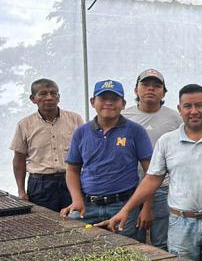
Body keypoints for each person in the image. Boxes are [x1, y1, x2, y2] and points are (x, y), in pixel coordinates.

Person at [103, 84, 202, 261]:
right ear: (179, 110)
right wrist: (126, 210)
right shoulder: (167, 141)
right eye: (187, 106)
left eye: (199, 105)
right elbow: (152, 179)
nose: (194, 111)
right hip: (180, 223)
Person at [60, 80, 152, 238]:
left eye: (114, 99)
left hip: (124, 205)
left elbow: (151, 173)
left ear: (123, 104)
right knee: (80, 248)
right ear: (92, 102)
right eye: (103, 98)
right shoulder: (81, 132)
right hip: (88, 205)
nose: (108, 103)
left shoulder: (136, 131)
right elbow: (72, 170)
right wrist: (76, 200)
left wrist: (147, 208)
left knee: (129, 252)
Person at [122, 69, 181, 250]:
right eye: (146, 85)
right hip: (131, 188)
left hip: (163, 188)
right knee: (131, 239)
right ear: (136, 90)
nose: (151, 89)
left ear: (163, 92)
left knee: (161, 241)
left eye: (156, 86)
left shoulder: (175, 119)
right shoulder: (124, 117)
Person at [10, 78, 83, 212]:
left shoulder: (75, 119)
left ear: (59, 97)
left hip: (71, 181)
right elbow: (19, 160)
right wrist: (21, 191)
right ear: (33, 98)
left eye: (53, 93)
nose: (49, 97)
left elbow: (86, 152)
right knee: (45, 224)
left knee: (77, 222)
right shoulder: (24, 124)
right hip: (40, 184)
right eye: (43, 94)